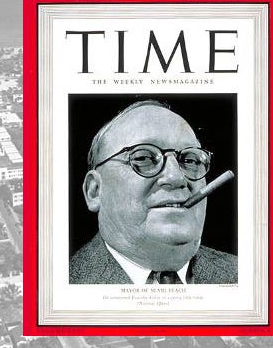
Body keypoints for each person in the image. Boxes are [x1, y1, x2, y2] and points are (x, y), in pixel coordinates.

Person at [69, 100, 237, 284]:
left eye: (190, 160)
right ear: (95, 191)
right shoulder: (54, 287)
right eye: (143, 157)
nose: (176, 178)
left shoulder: (249, 278)